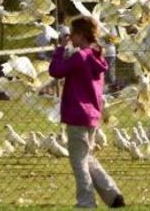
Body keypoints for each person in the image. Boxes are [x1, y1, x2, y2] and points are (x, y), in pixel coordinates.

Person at [48, 16, 125, 208]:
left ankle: (86, 202)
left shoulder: (80, 56)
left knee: (78, 162)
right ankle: (112, 195)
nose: (69, 37)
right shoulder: (96, 56)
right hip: (91, 115)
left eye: (72, 33)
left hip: (77, 114)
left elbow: (55, 71)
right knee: (86, 156)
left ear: (80, 35)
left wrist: (60, 49)